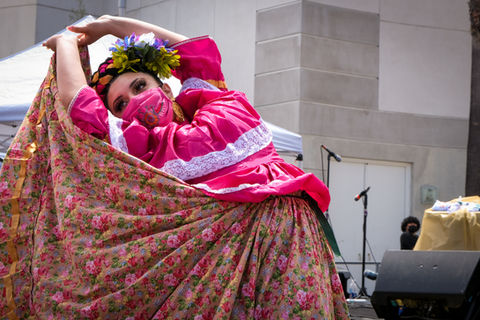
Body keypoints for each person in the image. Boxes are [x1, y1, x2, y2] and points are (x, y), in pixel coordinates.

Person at [33, 15, 349, 318]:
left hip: (293, 240)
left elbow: (193, 50)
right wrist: (67, 43)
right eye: (120, 104)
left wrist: (114, 26)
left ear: (167, 89)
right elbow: (77, 102)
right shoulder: (143, 147)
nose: (133, 100)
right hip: (223, 262)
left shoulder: (216, 102)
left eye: (139, 86)